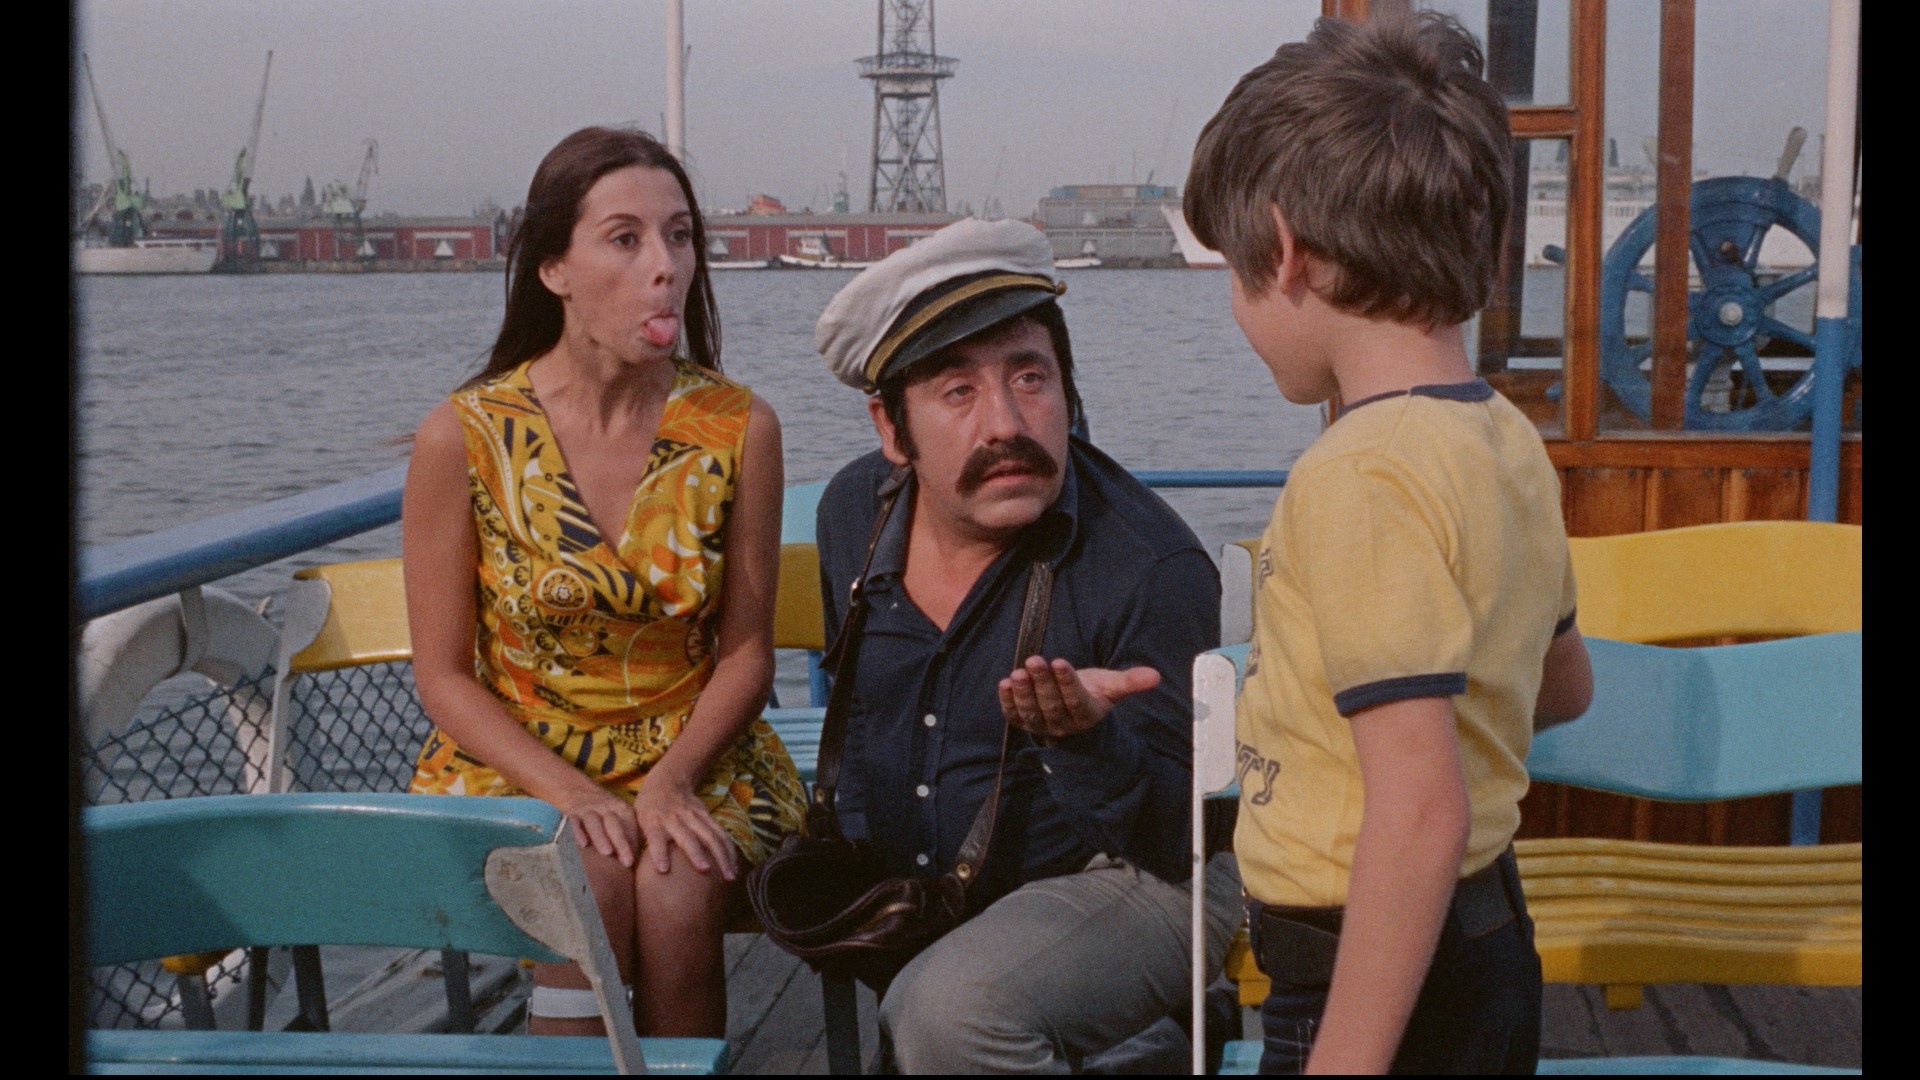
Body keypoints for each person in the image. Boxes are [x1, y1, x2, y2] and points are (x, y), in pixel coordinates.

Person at [1182, 12, 1595, 1074]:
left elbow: (1417, 813)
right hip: (1487, 939)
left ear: (1285, 249)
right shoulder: (1502, 438)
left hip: (1371, 968)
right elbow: (1563, 686)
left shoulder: (1359, 475)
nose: (1237, 305)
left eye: (1234, 270)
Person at [811, 216, 1243, 1073]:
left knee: (952, 1015)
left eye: (1030, 377)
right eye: (957, 391)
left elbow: (1183, 840)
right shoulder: (855, 514)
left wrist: (1088, 740)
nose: (1005, 423)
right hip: (942, 885)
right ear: (892, 430)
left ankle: (1131, 1019)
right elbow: (864, 712)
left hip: (1136, 876)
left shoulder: (1148, 566)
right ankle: (1131, 1042)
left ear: (1069, 395)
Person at [401, 125, 806, 1039]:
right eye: (625, 239)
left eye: (680, 237)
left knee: (676, 884)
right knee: (582, 878)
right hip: (518, 763)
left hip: (696, 756)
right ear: (554, 268)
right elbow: (445, 677)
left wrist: (672, 782)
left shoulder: (738, 428)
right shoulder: (461, 437)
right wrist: (573, 795)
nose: (664, 267)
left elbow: (746, 654)